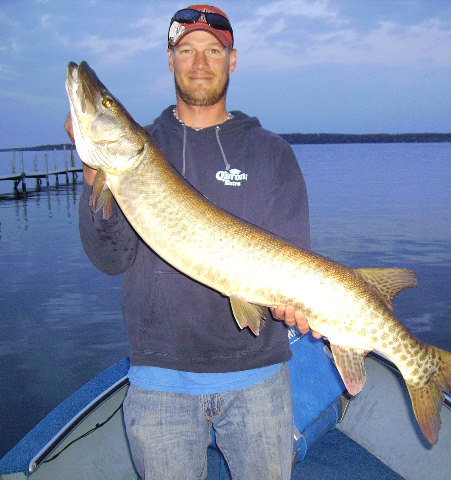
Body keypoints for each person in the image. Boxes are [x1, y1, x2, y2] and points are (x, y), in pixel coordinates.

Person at [68, 5, 319, 479]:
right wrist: (93, 173)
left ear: (232, 59)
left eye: (213, 51)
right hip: (160, 380)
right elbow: (109, 257)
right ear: (170, 59)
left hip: (259, 378)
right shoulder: (141, 149)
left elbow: (294, 256)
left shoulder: (272, 153)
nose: (200, 63)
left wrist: (295, 304)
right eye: (187, 51)